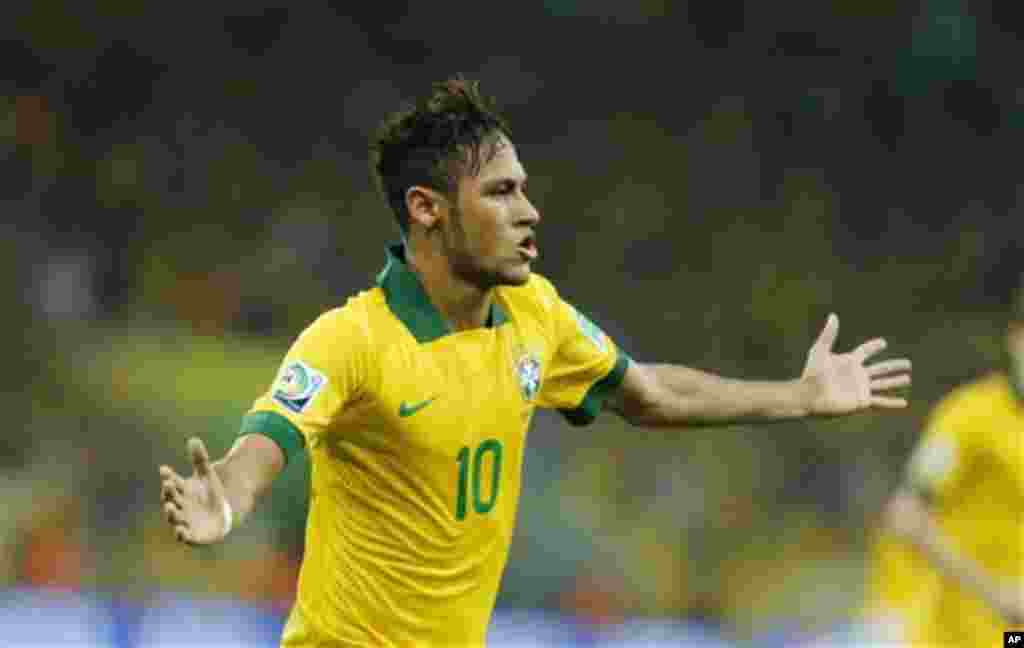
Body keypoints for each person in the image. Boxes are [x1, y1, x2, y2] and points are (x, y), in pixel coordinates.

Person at [158, 77, 912, 647]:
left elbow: (649, 392)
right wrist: (223, 498)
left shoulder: (534, 313)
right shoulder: (352, 339)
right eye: (501, 192)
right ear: (427, 208)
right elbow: (265, 445)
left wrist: (801, 394)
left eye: (524, 190)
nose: (529, 212)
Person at [863, 276, 1024, 647]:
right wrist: (995, 592)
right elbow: (906, 515)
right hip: (951, 634)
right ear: (1015, 338)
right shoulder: (967, 416)